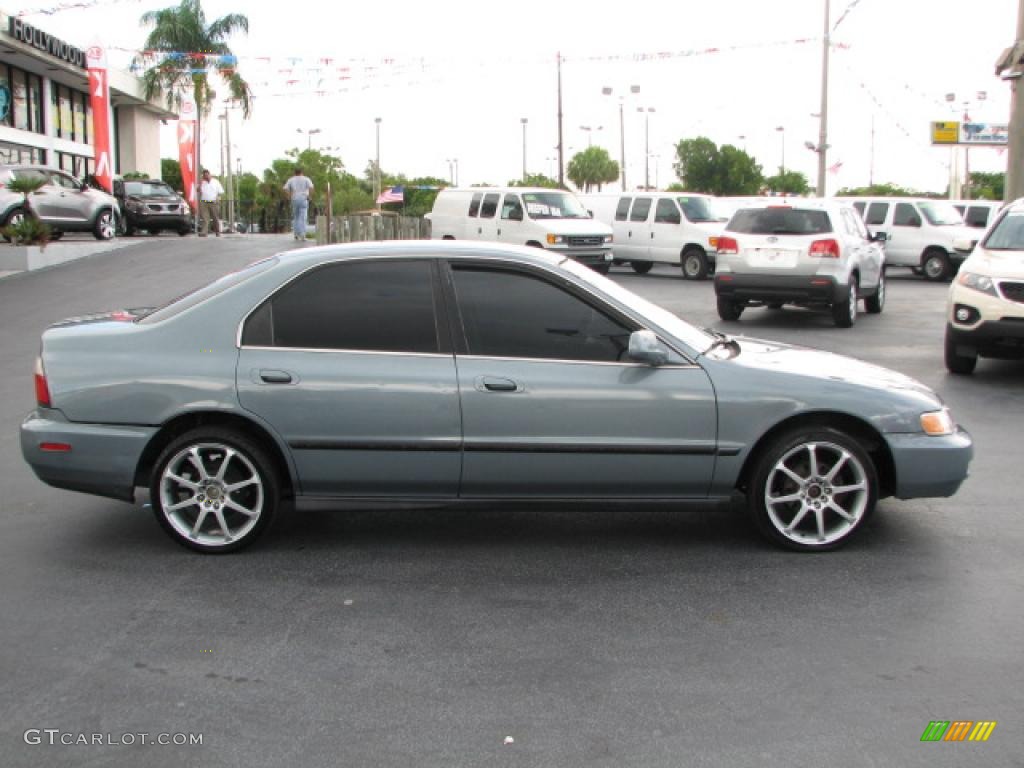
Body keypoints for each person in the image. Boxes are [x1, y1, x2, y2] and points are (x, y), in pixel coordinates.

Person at [283, 167, 314, 241]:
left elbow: (285, 188)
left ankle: (296, 234)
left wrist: (289, 196)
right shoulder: (306, 179)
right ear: (302, 172)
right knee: (303, 217)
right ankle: (303, 235)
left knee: (296, 217)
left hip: (295, 198)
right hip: (303, 198)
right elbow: (311, 187)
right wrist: (309, 196)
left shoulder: (291, 179)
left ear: (295, 173)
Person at [198, 170, 224, 237]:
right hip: (204, 202)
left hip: (213, 202)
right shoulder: (202, 182)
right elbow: (198, 190)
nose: (206, 177)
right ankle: (204, 232)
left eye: (207, 175)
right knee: (205, 218)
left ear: (210, 174)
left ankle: (217, 232)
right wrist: (200, 185)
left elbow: (221, 192)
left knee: (215, 218)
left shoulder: (216, 182)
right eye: (204, 176)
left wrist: (218, 198)